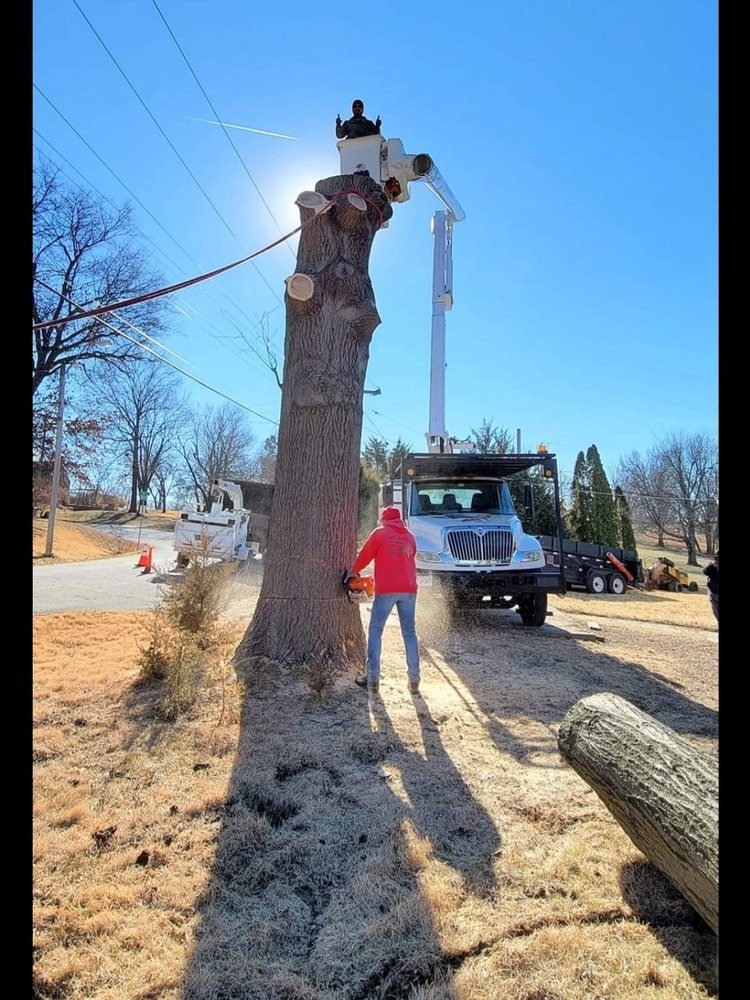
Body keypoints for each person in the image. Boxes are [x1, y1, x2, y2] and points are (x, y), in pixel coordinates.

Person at [347, 505, 420, 695]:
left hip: (386, 589)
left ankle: (372, 679)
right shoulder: (410, 536)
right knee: (410, 634)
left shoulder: (380, 533)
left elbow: (365, 555)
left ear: (385, 520)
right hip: (409, 589)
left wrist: (353, 571)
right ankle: (414, 681)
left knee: (375, 631)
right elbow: (411, 555)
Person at [703, 551, 718, 622]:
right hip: (713, 593)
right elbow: (705, 572)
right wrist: (711, 566)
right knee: (717, 614)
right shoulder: (712, 565)